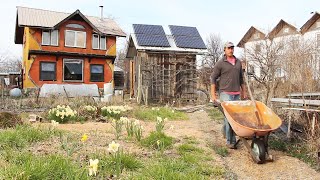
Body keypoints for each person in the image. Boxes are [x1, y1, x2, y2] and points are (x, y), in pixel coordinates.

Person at [210, 41, 247, 149]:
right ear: (224, 50)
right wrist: (213, 95)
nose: (231, 50)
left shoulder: (238, 62)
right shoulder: (220, 63)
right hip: (225, 93)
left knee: (233, 118)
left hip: (236, 94)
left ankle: (225, 131)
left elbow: (241, 79)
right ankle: (230, 141)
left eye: (232, 48)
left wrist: (243, 92)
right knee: (229, 118)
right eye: (228, 48)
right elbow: (213, 78)